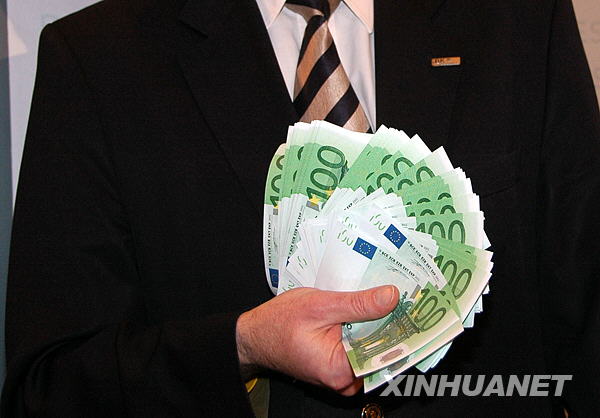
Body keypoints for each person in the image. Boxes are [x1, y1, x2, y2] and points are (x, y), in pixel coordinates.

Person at [2, 0, 600, 416]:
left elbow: (586, 302)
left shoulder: (517, 19)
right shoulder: (98, 60)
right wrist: (242, 346)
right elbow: (50, 385)